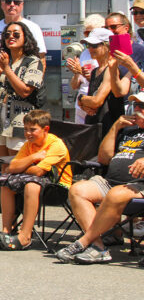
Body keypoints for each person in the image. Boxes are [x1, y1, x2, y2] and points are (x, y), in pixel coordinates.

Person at [55, 96, 144, 264]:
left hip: (138, 186)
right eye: (136, 105)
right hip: (111, 182)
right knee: (78, 189)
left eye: (142, 106)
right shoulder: (128, 130)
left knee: (115, 194)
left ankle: (84, 241)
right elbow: (104, 158)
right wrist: (116, 127)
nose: (137, 110)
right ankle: (98, 246)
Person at [0, 109, 71, 251]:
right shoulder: (29, 144)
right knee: (6, 183)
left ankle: (25, 236)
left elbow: (39, 171)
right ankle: (7, 230)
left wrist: (21, 167)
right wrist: (33, 158)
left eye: (32, 130)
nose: (28, 133)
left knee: (31, 185)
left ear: (45, 129)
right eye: (26, 129)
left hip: (57, 185)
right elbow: (12, 167)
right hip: (35, 180)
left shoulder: (56, 145)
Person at [0, 21, 44, 158]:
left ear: (25, 38)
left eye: (16, 34)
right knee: (4, 166)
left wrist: (7, 69)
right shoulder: (3, 60)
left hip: (20, 121)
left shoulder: (33, 61)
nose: (11, 37)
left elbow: (24, 92)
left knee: (16, 165)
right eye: (7, 35)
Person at [0, 0, 47, 70]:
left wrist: (34, 81)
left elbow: (41, 59)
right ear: (2, 4)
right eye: (8, 2)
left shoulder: (33, 28)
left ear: (22, 5)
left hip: (22, 79)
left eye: (16, 2)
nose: (12, 5)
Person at [76, 28, 123, 136]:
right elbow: (91, 103)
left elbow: (97, 101)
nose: (90, 49)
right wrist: (84, 104)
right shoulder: (94, 71)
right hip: (95, 125)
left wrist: (80, 98)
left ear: (107, 46)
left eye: (95, 45)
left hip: (108, 126)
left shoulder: (111, 69)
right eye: (88, 45)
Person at [66, 14, 105, 123]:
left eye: (90, 33)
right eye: (85, 33)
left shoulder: (105, 56)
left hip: (96, 103)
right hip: (81, 103)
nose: (87, 36)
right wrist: (76, 73)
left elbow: (98, 81)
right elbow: (74, 86)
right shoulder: (84, 53)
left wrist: (81, 73)